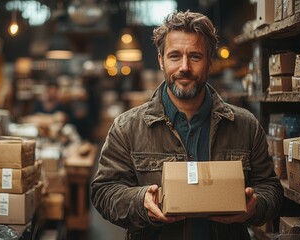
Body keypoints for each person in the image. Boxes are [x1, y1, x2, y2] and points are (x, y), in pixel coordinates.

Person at [90, 10, 283, 240]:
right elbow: (103, 191)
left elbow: (271, 189)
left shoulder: (245, 125)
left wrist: (255, 205)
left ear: (210, 60)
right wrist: (140, 202)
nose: (184, 67)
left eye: (195, 56)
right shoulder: (127, 127)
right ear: (161, 60)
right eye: (174, 56)